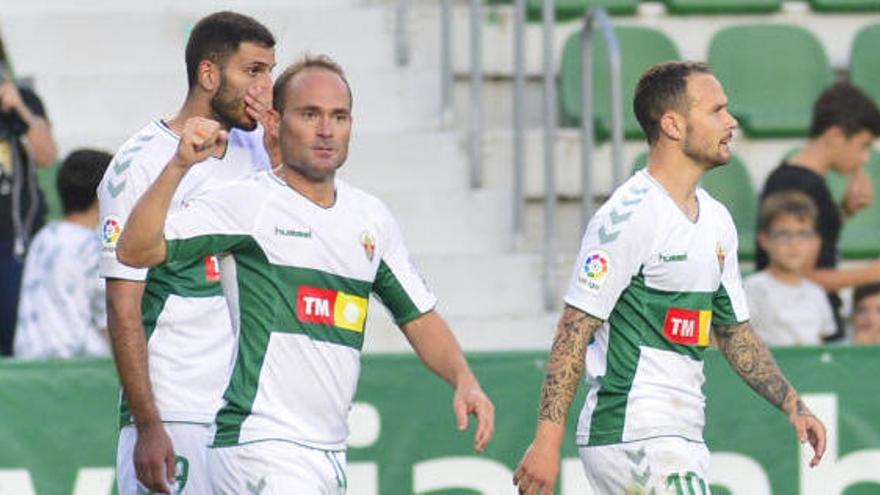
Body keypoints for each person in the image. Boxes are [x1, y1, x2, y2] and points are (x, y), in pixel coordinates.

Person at [116, 54, 495, 493]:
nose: (325, 130)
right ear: (275, 122)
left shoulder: (370, 219)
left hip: (327, 451)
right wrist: (178, 166)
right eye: (309, 114)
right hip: (260, 443)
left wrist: (464, 378)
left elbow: (419, 317)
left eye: (338, 116)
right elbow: (136, 249)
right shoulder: (249, 203)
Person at [513, 61, 826, 495]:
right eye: (717, 110)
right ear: (674, 125)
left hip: (679, 433)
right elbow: (574, 329)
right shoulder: (629, 216)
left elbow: (733, 331)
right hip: (635, 429)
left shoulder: (716, 219)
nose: (731, 121)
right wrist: (547, 443)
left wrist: (793, 403)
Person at [97, 12, 276, 495]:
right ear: (209, 74)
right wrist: (149, 425)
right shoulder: (138, 163)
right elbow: (122, 305)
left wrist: (278, 146)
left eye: (270, 72)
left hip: (247, 418)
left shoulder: (259, 149)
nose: (266, 87)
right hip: (177, 413)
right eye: (254, 71)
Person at [757, 81, 880, 342]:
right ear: (835, 136)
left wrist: (844, 211)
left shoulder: (802, 181)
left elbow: (816, 251)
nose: (865, 158)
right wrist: (872, 273)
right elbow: (800, 274)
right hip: (797, 331)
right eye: (863, 145)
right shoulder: (798, 185)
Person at [14, 149, 111, 358]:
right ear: (101, 196)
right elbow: (111, 317)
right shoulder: (93, 247)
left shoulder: (43, 237)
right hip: (79, 363)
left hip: (30, 357)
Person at [0, 36, 58, 357]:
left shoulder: (23, 102)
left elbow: (47, 156)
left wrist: (19, 109)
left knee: (15, 340)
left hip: (15, 244)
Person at [746, 191, 836, 346]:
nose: (794, 243)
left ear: (814, 241)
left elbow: (822, 344)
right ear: (764, 239)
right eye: (783, 234)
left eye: (802, 234)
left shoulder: (816, 293)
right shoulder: (751, 289)